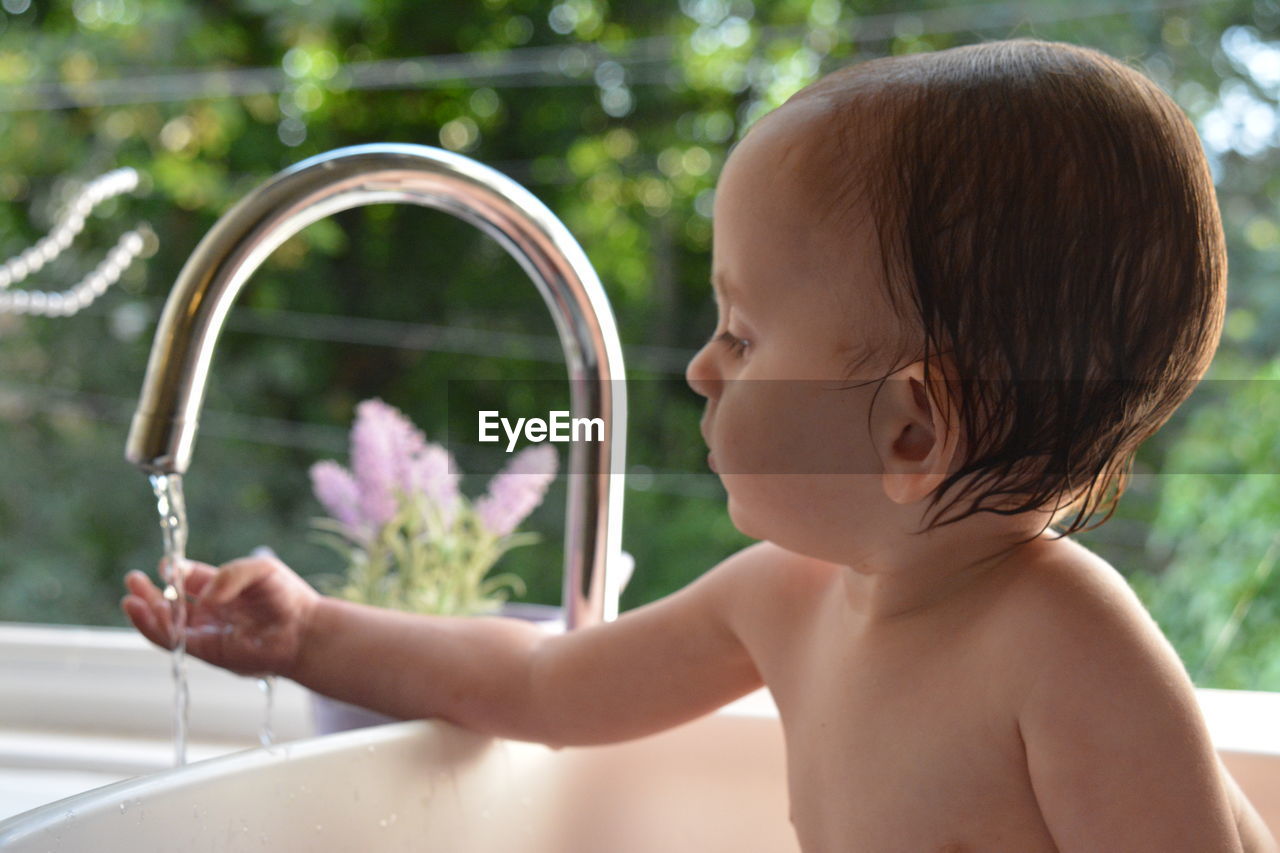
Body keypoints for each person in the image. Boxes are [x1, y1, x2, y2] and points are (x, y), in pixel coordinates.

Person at [123, 39, 1277, 851]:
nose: (700, 367)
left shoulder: (1067, 650)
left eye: (742, 330)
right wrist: (311, 632)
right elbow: (542, 682)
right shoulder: (785, 594)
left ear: (911, 425)